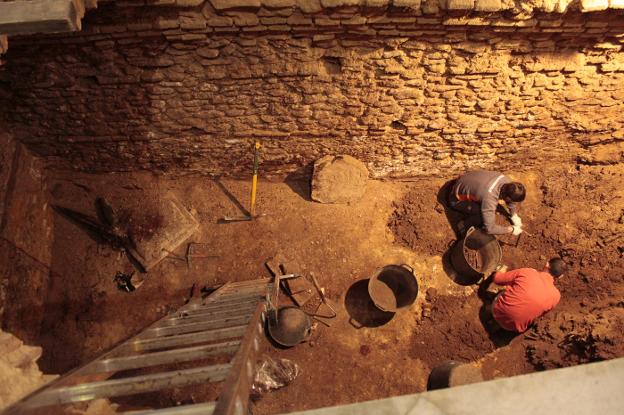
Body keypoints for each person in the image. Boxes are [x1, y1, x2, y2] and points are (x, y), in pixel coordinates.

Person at [481, 258, 567, 333]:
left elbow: (497, 280)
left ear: (547, 264)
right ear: (560, 277)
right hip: (514, 327)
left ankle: (490, 312)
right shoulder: (556, 296)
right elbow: (539, 314)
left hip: (497, 311)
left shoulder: (528, 272)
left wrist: (499, 271)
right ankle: (497, 326)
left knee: (505, 289)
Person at [447, 170, 525, 236]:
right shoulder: (489, 199)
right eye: (512, 201)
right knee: (482, 216)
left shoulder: (505, 180)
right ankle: (462, 225)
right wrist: (511, 229)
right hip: (455, 199)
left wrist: (514, 215)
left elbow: (511, 201)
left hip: (463, 182)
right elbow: (489, 229)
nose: (513, 204)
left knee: (487, 207)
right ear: (507, 197)